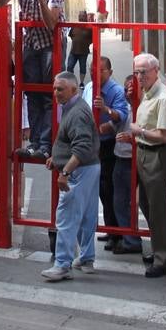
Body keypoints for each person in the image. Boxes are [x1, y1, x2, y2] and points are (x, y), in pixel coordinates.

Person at [0, 0, 64, 159]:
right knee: (31, 93)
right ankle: (34, 143)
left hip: (50, 45)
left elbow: (52, 24)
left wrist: (42, 0)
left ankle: (46, 144)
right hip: (29, 43)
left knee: (48, 94)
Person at [115, 53, 166, 277]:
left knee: (158, 207)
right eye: (137, 72)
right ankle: (164, 247)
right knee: (146, 203)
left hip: (156, 154)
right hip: (143, 151)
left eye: (144, 72)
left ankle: (162, 258)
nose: (139, 76)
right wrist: (135, 136)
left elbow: (165, 136)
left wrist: (139, 132)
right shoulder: (149, 93)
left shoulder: (163, 97)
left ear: (156, 71)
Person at [40, 72, 101, 281]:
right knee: (86, 215)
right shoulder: (75, 107)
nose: (55, 93)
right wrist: (57, 158)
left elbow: (82, 147)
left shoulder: (77, 112)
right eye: (55, 88)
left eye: (60, 89)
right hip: (89, 168)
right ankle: (86, 258)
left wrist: (65, 172)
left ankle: (62, 264)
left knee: (66, 217)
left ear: (74, 90)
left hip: (80, 170)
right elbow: (73, 142)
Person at [88, 56, 133, 253]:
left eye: (100, 70)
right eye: (92, 69)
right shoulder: (90, 87)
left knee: (110, 189)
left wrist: (106, 111)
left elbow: (121, 115)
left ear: (110, 72)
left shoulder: (115, 91)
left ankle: (117, 233)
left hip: (109, 146)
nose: (94, 73)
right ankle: (110, 228)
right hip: (93, 143)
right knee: (101, 189)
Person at [65, 17, 92, 86]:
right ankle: (71, 82)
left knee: (82, 68)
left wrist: (87, 43)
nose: (82, 18)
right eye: (81, 17)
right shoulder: (75, 25)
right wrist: (76, 41)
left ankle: (81, 83)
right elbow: (70, 35)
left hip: (83, 52)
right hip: (73, 50)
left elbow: (93, 38)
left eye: (83, 17)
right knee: (69, 66)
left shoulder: (89, 27)